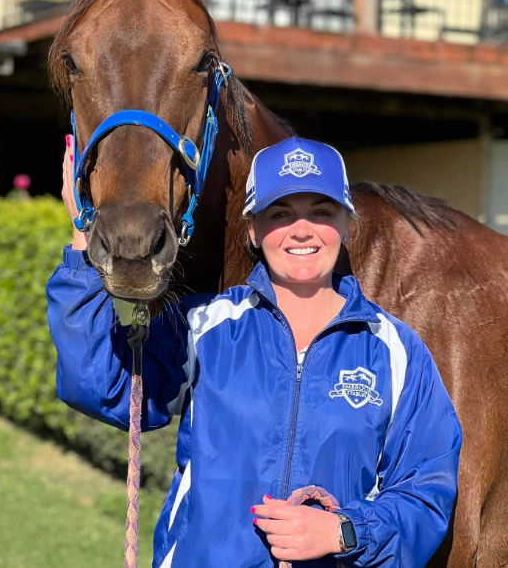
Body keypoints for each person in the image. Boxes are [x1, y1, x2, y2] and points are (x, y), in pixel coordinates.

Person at [47, 135, 461, 567]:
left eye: (321, 212)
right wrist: (83, 242)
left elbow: (426, 491)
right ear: (253, 229)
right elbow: (98, 384)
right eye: (280, 213)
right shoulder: (202, 328)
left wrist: (344, 531)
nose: (302, 229)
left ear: (345, 225)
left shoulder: (396, 350)